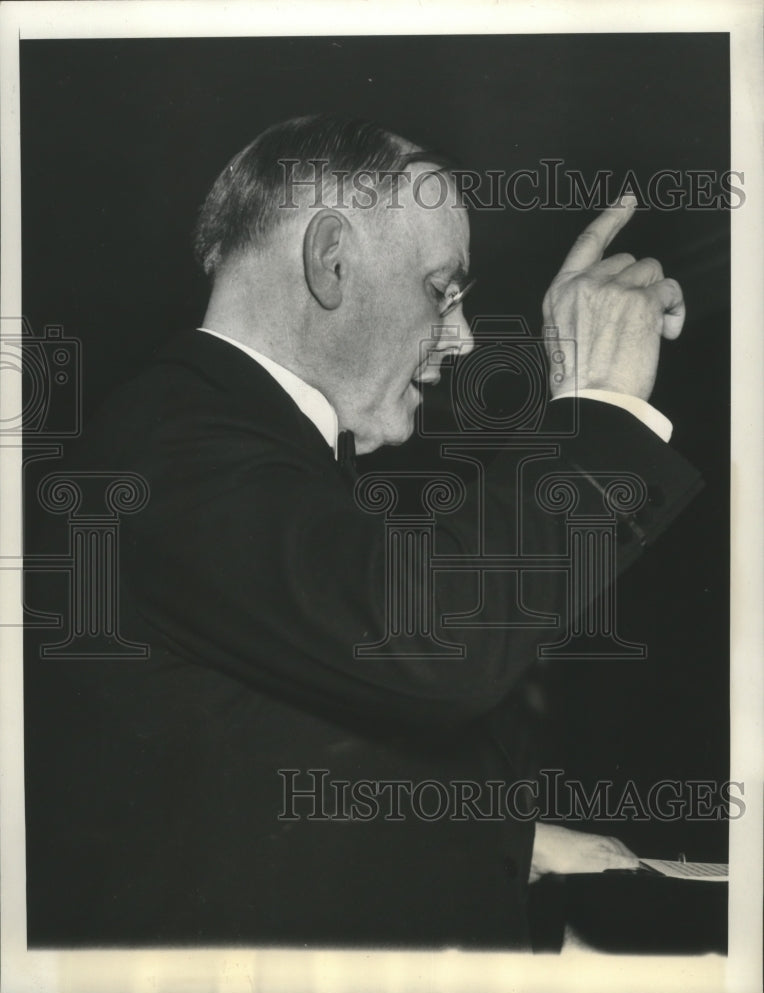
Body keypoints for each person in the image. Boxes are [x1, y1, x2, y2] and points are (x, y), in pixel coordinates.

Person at [24, 114, 701, 949]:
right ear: (332, 259)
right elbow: (429, 643)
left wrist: (506, 847)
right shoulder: (177, 448)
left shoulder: (219, 436)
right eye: (440, 289)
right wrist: (597, 410)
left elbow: (248, 773)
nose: (458, 342)